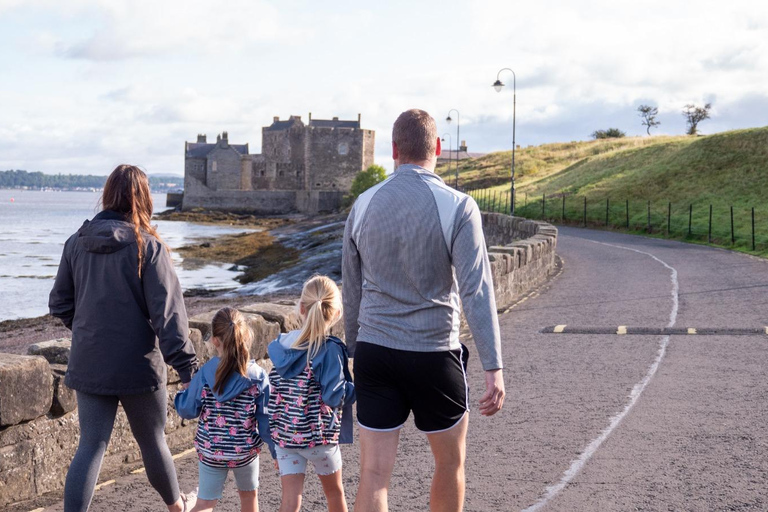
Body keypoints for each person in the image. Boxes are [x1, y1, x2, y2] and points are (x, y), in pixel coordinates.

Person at [342, 109, 506, 512]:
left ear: (393, 150)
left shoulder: (362, 205)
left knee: (374, 475)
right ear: (437, 147)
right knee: (449, 464)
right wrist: (493, 365)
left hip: (375, 352)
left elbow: (351, 290)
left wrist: (351, 353)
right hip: (435, 354)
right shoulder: (459, 206)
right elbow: (476, 290)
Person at [49, 164, 199, 512]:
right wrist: (189, 371)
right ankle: (177, 508)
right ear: (143, 198)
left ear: (107, 194)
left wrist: (91, 330)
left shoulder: (76, 243)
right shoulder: (149, 247)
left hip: (90, 361)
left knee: (90, 446)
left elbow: (59, 303)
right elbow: (169, 318)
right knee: (153, 441)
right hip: (138, 365)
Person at [267, 275, 356, 512]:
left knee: (290, 500)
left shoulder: (282, 345)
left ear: (301, 308)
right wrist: (356, 389)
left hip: (286, 438)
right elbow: (334, 396)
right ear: (336, 314)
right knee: (334, 494)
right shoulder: (329, 349)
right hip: (319, 438)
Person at [174, 307, 274, 512]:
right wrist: (276, 452)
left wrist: (181, 394)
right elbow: (266, 420)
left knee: (205, 503)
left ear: (215, 341)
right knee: (249, 499)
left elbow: (187, 410)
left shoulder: (205, 374)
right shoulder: (257, 375)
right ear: (246, 336)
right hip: (245, 451)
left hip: (212, 450)